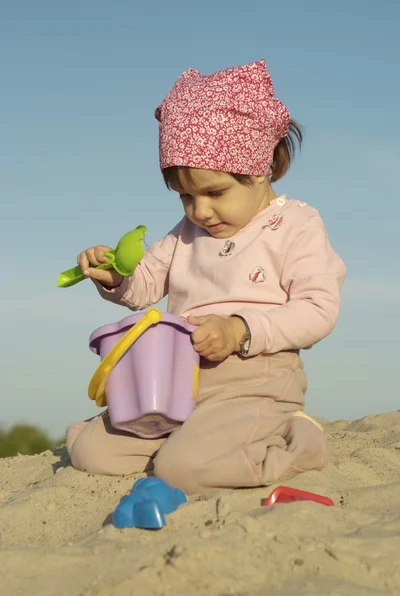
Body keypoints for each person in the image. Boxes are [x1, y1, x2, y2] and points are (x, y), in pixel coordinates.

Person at [66, 59, 346, 494]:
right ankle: (193, 439)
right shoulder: (186, 235)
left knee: (182, 470)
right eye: (185, 197)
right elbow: (144, 288)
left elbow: (318, 310)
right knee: (91, 454)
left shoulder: (296, 225)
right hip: (176, 376)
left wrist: (239, 330)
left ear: (263, 167)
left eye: (215, 193)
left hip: (254, 375)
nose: (200, 211)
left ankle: (299, 443)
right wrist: (115, 275)